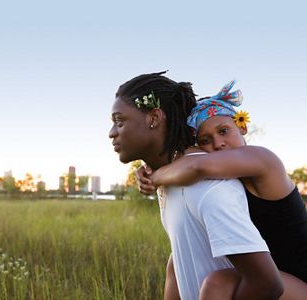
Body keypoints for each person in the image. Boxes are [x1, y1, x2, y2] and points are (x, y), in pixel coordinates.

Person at [109, 72, 284, 299]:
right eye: (205, 139)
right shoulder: (173, 179)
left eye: (119, 121)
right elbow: (181, 265)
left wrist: (155, 177)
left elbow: (266, 283)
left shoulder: (209, 187)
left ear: (153, 118)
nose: (111, 132)